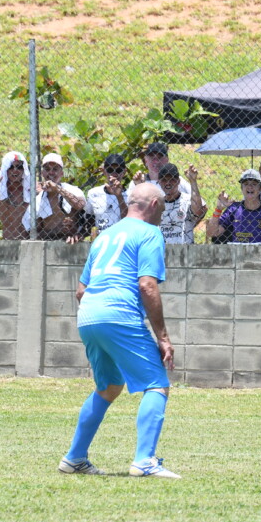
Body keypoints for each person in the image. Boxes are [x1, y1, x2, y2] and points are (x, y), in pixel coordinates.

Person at [58, 182, 179, 479]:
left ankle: (74, 458)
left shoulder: (105, 236)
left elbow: (80, 290)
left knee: (109, 387)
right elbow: (147, 285)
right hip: (118, 312)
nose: (162, 213)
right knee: (156, 383)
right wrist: (163, 337)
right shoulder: (149, 233)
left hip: (89, 315)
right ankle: (145, 461)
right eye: (163, 207)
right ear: (154, 205)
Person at [207, 169, 261, 244]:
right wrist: (218, 210)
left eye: (254, 184)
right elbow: (212, 233)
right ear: (242, 188)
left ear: (260, 189)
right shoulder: (234, 209)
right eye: (246, 184)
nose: (250, 187)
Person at [35, 152, 86, 242]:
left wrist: (58, 189)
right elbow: (36, 233)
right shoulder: (38, 199)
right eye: (47, 169)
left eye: (55, 169)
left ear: (61, 173)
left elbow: (80, 205)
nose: (51, 172)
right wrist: (57, 230)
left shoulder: (73, 190)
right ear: (42, 173)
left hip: (73, 242)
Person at [83, 153, 130, 240]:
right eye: (110, 170)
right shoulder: (94, 193)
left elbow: (129, 221)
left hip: (122, 239)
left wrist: (119, 196)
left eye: (118, 170)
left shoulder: (130, 194)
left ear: (124, 172)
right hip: (102, 239)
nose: (114, 174)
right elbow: (89, 219)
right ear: (104, 171)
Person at [156, 162, 206, 244]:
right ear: (159, 182)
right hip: (162, 248)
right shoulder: (157, 204)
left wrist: (193, 181)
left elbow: (198, 211)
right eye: (164, 180)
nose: (168, 183)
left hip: (185, 249)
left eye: (172, 179)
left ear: (178, 181)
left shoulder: (187, 200)